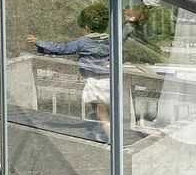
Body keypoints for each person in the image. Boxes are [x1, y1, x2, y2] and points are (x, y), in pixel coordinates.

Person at [26, 9, 138, 142]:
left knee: (101, 113)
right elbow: (124, 33)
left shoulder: (83, 42)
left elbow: (61, 48)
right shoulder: (111, 39)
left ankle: (112, 138)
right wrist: (130, 22)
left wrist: (39, 42)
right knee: (101, 109)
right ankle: (104, 131)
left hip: (95, 81)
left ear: (86, 27)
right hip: (110, 79)